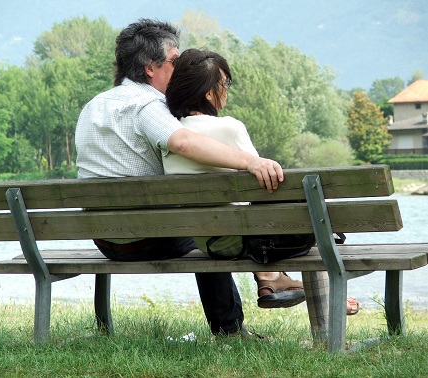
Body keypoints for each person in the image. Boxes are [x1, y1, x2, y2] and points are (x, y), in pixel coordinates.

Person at [75, 18, 295, 338]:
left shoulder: (95, 105)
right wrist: (251, 162)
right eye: (175, 60)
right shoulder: (146, 104)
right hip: (146, 238)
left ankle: (267, 281)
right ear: (151, 67)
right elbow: (183, 142)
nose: (180, 67)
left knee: (202, 223)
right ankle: (235, 323)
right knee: (208, 227)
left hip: (105, 238)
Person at [163, 48, 359, 316]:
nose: (227, 90)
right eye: (225, 83)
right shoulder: (229, 128)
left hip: (209, 245)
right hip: (245, 244)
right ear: (209, 92)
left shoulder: (169, 134)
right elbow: (266, 186)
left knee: (303, 222)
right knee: (316, 222)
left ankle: (272, 279)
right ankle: (305, 291)